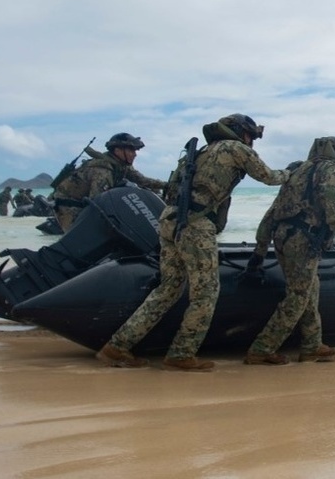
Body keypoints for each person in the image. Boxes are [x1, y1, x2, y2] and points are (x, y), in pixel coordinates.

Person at [96, 114, 290, 372]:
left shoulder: (202, 152)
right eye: (250, 135)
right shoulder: (235, 149)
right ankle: (181, 353)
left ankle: (117, 346)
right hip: (196, 224)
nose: (251, 140)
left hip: (170, 219)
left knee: (167, 289)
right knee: (206, 293)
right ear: (239, 133)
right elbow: (268, 177)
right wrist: (290, 173)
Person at [244, 137, 335, 365]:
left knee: (309, 290)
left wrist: (260, 248)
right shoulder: (330, 168)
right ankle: (262, 348)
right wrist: (334, 227)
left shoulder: (298, 171)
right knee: (298, 296)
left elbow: (273, 210)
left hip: (283, 236)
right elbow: (329, 198)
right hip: (303, 239)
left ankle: (312, 345)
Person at [52, 133, 167, 232]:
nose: (135, 154)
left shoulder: (121, 165)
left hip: (82, 205)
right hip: (69, 207)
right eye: (131, 150)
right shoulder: (103, 170)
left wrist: (168, 184)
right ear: (117, 150)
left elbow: (142, 180)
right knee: (83, 239)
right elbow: (97, 203)